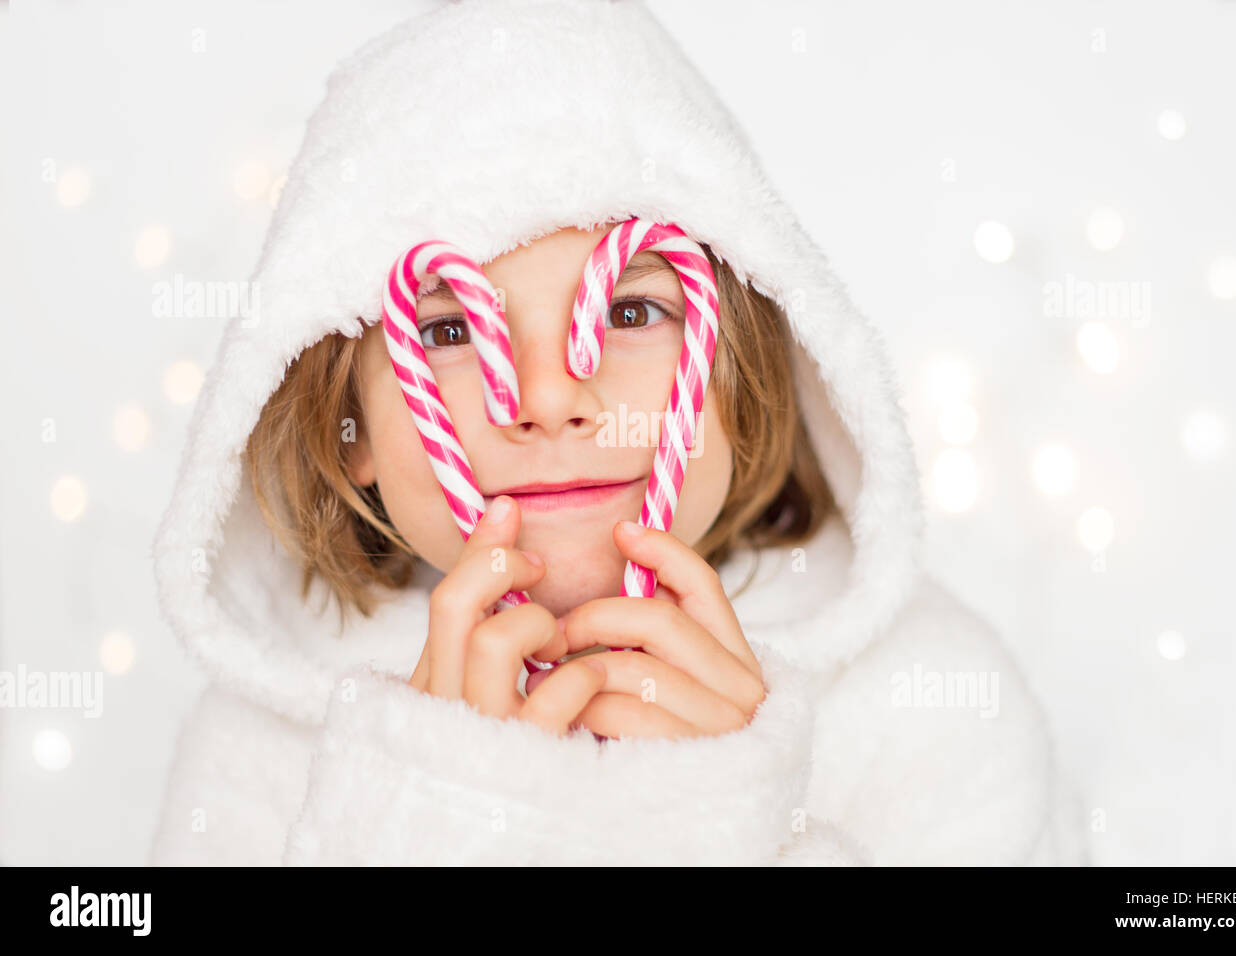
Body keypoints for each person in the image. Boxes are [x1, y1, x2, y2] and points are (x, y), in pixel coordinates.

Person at [150, 0, 1087, 865]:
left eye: (633, 314)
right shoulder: (257, 754)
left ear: (743, 374)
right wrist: (430, 821)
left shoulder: (931, 709)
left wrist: (724, 823)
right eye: (448, 332)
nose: (551, 398)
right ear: (344, 427)